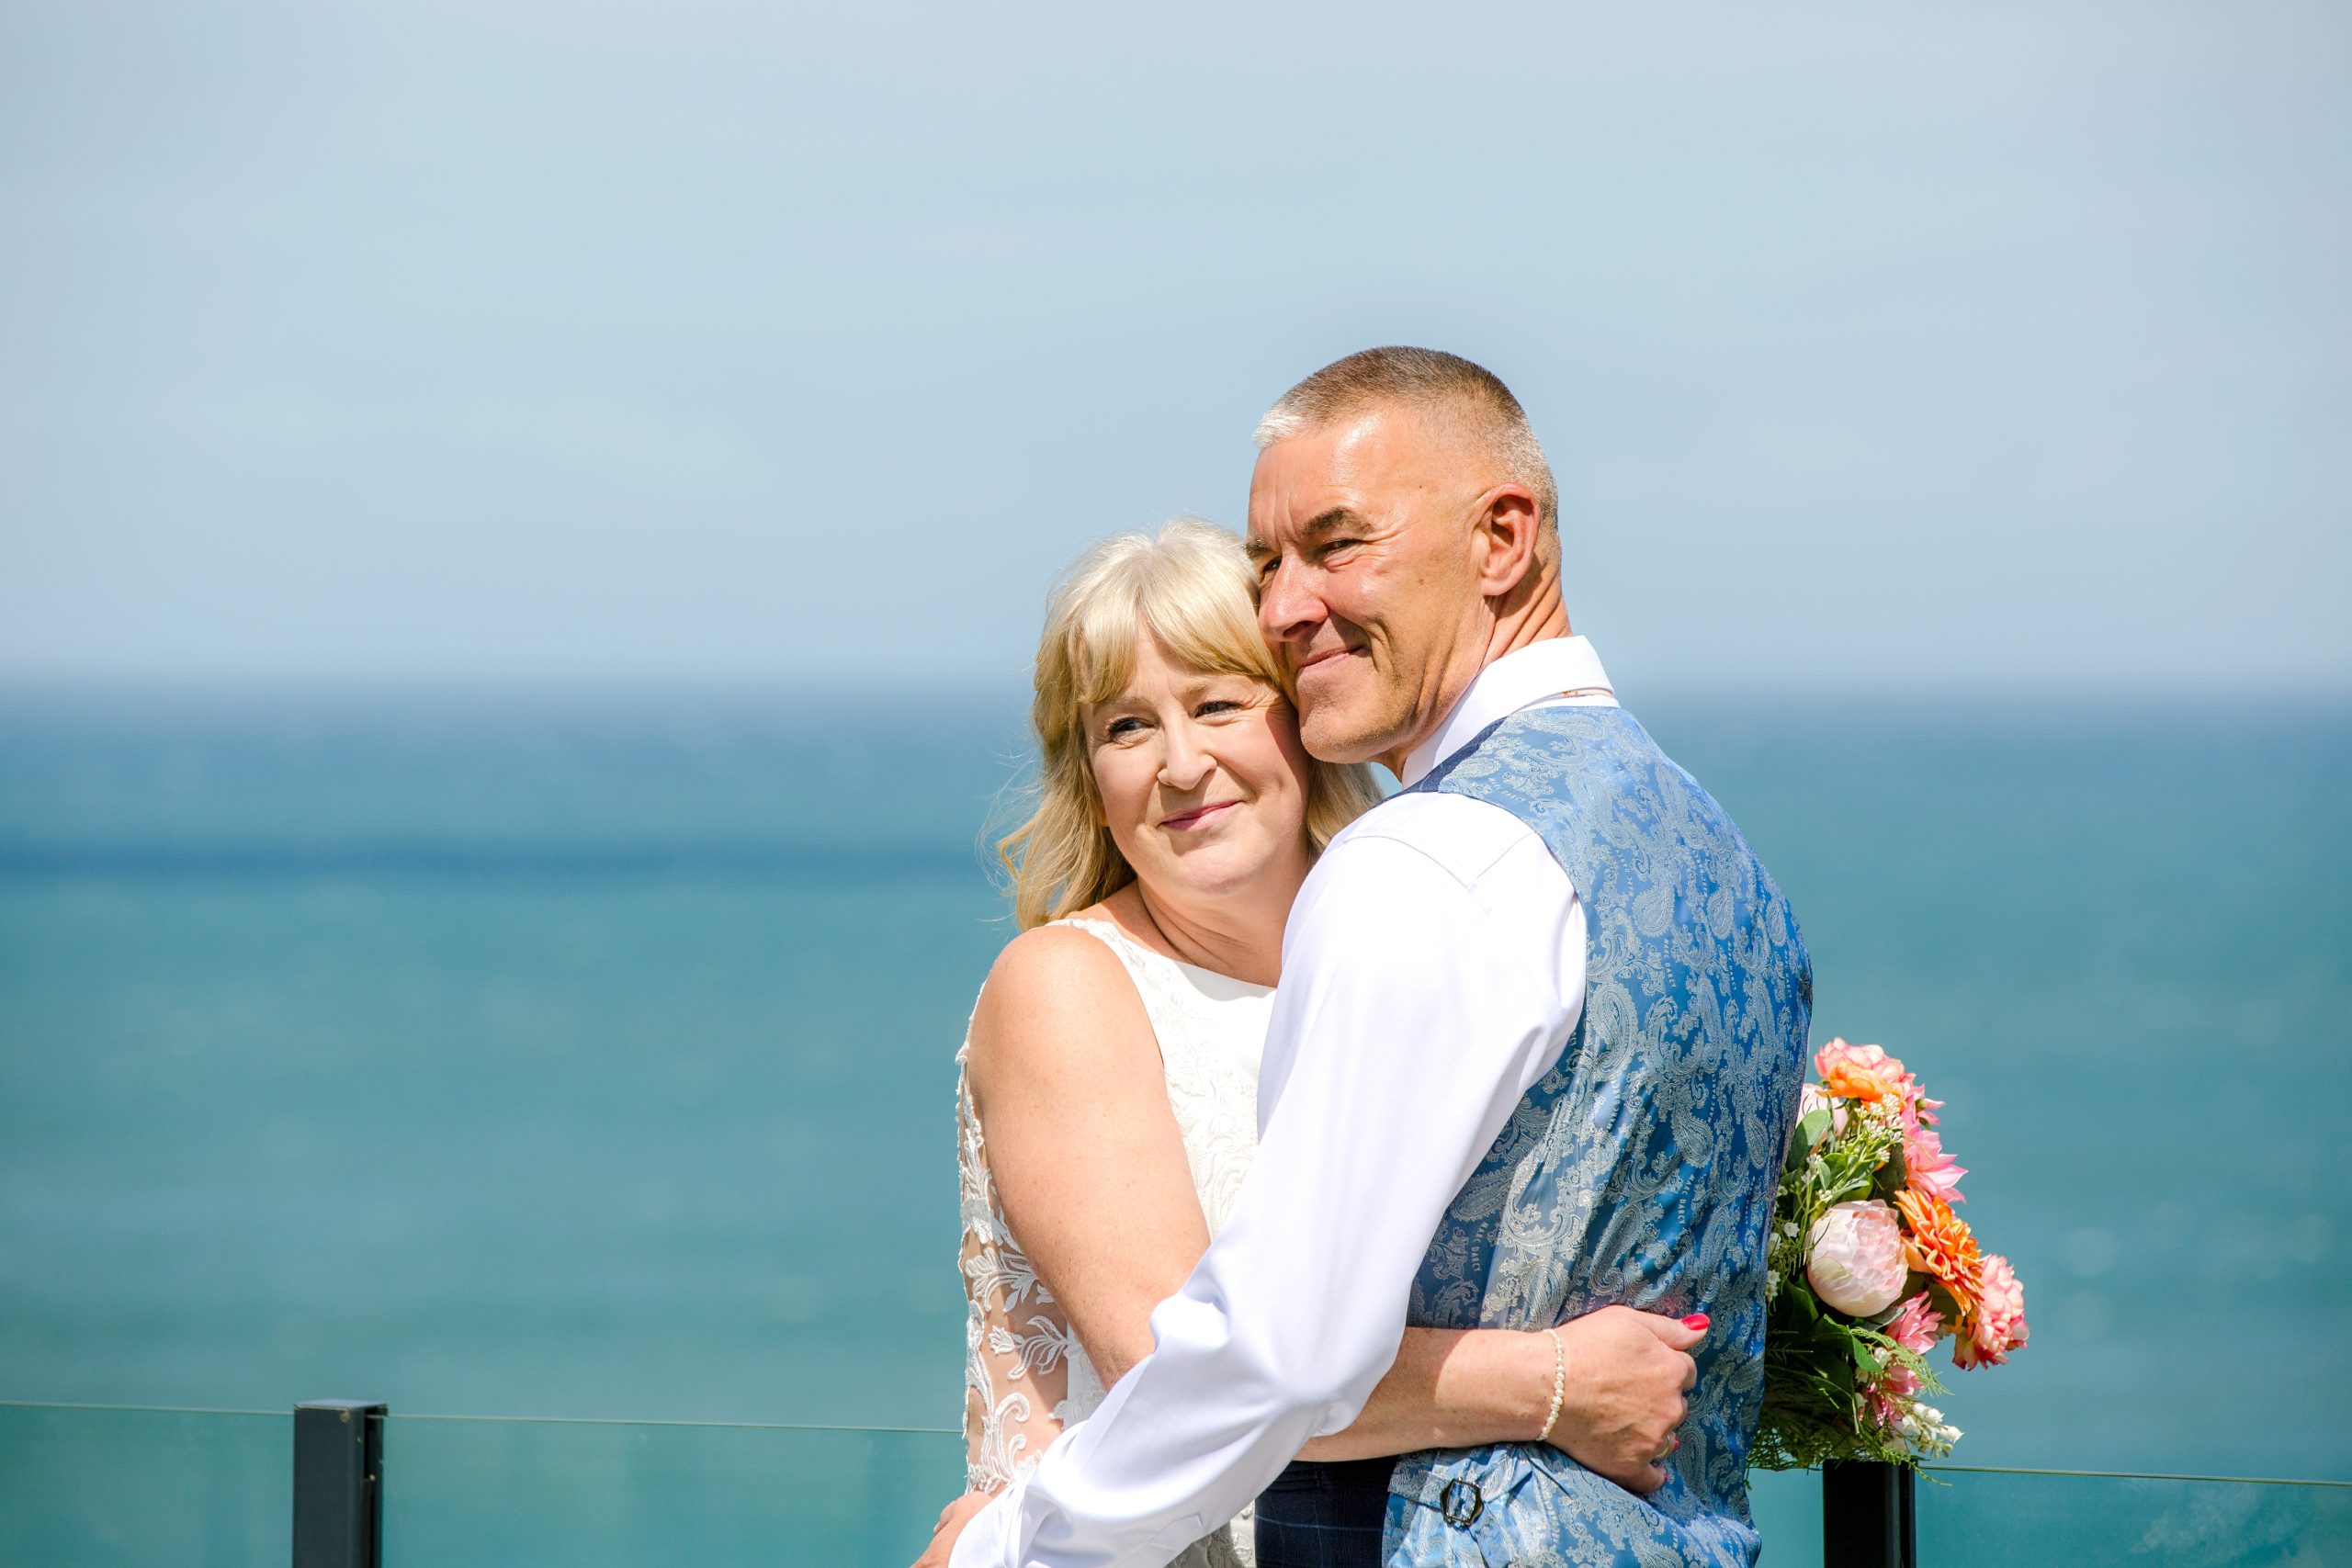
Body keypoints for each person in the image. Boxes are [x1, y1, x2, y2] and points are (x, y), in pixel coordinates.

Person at [940, 348, 1812, 1568]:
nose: (1291, 607)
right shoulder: (1717, 857)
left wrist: (1004, 1549)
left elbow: (1273, 1357)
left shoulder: (1422, 874)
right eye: (1125, 727)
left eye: (1337, 545)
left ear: (1502, 540)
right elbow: (1215, 1360)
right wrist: (1556, 1381)